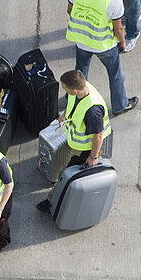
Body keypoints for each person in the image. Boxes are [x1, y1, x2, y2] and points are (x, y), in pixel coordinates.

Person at [65, 0, 138, 116]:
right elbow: (118, 29)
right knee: (115, 74)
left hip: (81, 41)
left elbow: (70, 11)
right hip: (104, 46)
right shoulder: (114, 1)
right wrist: (123, 43)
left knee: (81, 71)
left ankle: (75, 97)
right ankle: (120, 105)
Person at [35, 70, 112, 213]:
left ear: (75, 90)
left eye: (65, 89)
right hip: (76, 142)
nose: (64, 91)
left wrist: (93, 156)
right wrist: (63, 117)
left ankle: (53, 200)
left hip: (85, 149)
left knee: (68, 173)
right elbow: (72, 104)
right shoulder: (83, 86)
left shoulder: (93, 110)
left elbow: (98, 135)